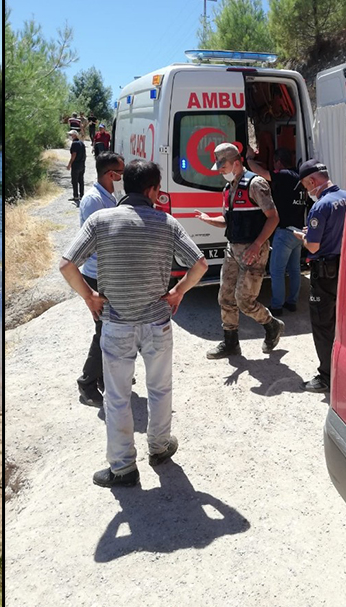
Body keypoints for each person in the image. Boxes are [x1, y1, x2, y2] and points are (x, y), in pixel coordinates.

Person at [58, 160, 209, 488]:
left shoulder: (100, 220)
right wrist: (178, 292)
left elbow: (67, 265)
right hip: (157, 323)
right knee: (160, 389)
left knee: (116, 396)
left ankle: (123, 468)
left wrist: (89, 297)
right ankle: (159, 447)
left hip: (117, 325)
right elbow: (199, 264)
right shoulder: (166, 222)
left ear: (124, 185)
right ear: (153, 190)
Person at [197, 143, 285, 359]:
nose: (220, 170)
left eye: (223, 165)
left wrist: (256, 245)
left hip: (253, 251)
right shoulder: (229, 189)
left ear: (237, 163)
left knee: (245, 301)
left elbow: (273, 218)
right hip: (232, 250)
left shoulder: (256, 184)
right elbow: (228, 221)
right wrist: (209, 220)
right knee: (225, 296)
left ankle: (272, 325)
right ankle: (230, 343)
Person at [73, 152, 126, 406]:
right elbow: (92, 241)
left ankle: (104, 376)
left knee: (111, 328)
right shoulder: (94, 200)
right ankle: (87, 383)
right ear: (109, 174)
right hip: (98, 274)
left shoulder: (109, 196)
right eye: (120, 173)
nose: (122, 177)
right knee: (103, 329)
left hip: (110, 271)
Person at [292, 160, 346, 393]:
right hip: (345, 270)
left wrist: (302, 237)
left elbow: (313, 247)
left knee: (323, 324)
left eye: (306, 186)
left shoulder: (320, 206)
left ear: (312, 181)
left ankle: (326, 376)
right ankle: (343, 370)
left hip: (325, 274)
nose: (307, 191)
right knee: (340, 323)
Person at [248, 148, 309, 316]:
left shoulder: (284, 175)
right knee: (295, 269)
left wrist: (249, 159)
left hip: (285, 232)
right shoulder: (299, 177)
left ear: (278, 162)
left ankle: (276, 306)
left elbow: (261, 173)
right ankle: (292, 302)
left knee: (277, 271)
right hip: (298, 231)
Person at [67, 129, 87, 203]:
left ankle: (76, 196)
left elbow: (73, 155)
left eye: (71, 135)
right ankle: (82, 195)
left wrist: (70, 164)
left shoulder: (74, 144)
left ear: (74, 135)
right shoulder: (82, 143)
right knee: (81, 180)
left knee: (74, 181)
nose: (70, 136)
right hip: (82, 164)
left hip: (76, 165)